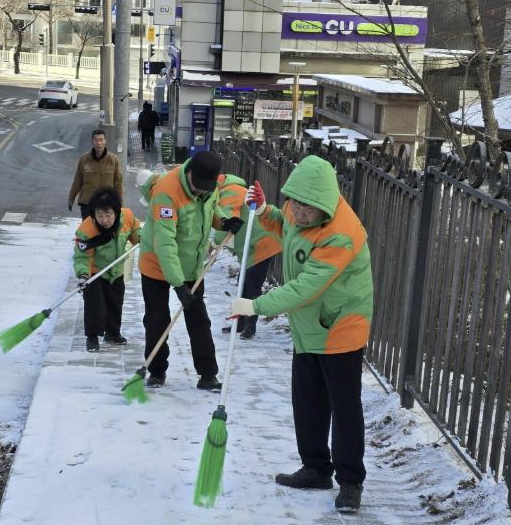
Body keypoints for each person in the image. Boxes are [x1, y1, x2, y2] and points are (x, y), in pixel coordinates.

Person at [230, 155, 373, 513]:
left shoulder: (341, 234)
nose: (298, 212)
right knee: (308, 400)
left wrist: (254, 305)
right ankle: (316, 468)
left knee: (344, 407)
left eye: (307, 208)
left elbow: (305, 288)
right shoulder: (298, 210)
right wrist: (266, 210)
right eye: (294, 203)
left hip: (339, 327)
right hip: (309, 325)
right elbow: (286, 227)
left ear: (324, 204)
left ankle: (350, 482)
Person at [138, 151, 243, 390]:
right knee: (157, 320)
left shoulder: (208, 187)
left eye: (207, 187)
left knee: (199, 320)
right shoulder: (166, 192)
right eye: (198, 186)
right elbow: (165, 244)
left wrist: (224, 221)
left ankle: (208, 374)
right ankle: (156, 370)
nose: (201, 191)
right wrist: (178, 285)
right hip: (156, 264)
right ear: (189, 173)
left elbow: (210, 211)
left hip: (191, 265)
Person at [213, 173, 281, 339]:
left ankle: (250, 327)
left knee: (252, 286)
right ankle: (241, 323)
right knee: (243, 283)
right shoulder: (229, 189)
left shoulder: (231, 191)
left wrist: (215, 243)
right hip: (251, 246)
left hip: (260, 245)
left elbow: (228, 220)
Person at [74, 188, 140, 352]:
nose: (105, 220)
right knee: (95, 304)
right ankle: (92, 336)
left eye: (108, 215)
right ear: (94, 215)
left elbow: (136, 233)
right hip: (94, 271)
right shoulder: (86, 230)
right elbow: (82, 257)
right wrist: (83, 275)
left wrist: (142, 239)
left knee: (115, 302)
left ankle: (112, 333)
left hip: (116, 269)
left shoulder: (127, 217)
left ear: (116, 212)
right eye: (100, 215)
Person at [68, 129, 123, 219]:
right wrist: (71, 198)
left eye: (101, 140)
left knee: (104, 227)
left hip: (106, 203)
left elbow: (118, 183)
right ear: (92, 142)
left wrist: (119, 202)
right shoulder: (84, 159)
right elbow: (77, 181)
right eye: (96, 140)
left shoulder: (113, 160)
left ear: (105, 141)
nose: (98, 143)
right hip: (87, 203)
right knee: (88, 227)